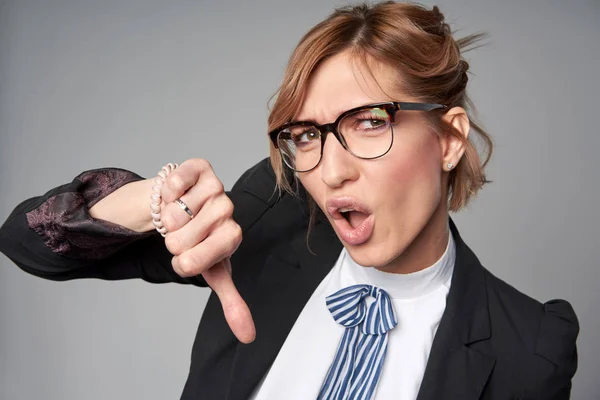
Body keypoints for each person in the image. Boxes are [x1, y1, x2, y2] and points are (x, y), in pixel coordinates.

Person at [0, 2, 579, 399]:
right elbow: (25, 240)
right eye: (306, 135)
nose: (329, 170)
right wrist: (155, 201)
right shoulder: (270, 215)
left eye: (371, 122)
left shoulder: (531, 347)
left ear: (449, 139)